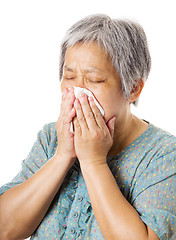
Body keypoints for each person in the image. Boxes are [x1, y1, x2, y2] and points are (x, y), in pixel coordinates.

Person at [0, 14, 175, 240]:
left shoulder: (165, 155)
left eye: (94, 80)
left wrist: (94, 162)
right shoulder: (50, 139)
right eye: (69, 76)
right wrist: (63, 155)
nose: (78, 91)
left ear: (133, 88)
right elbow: (4, 228)